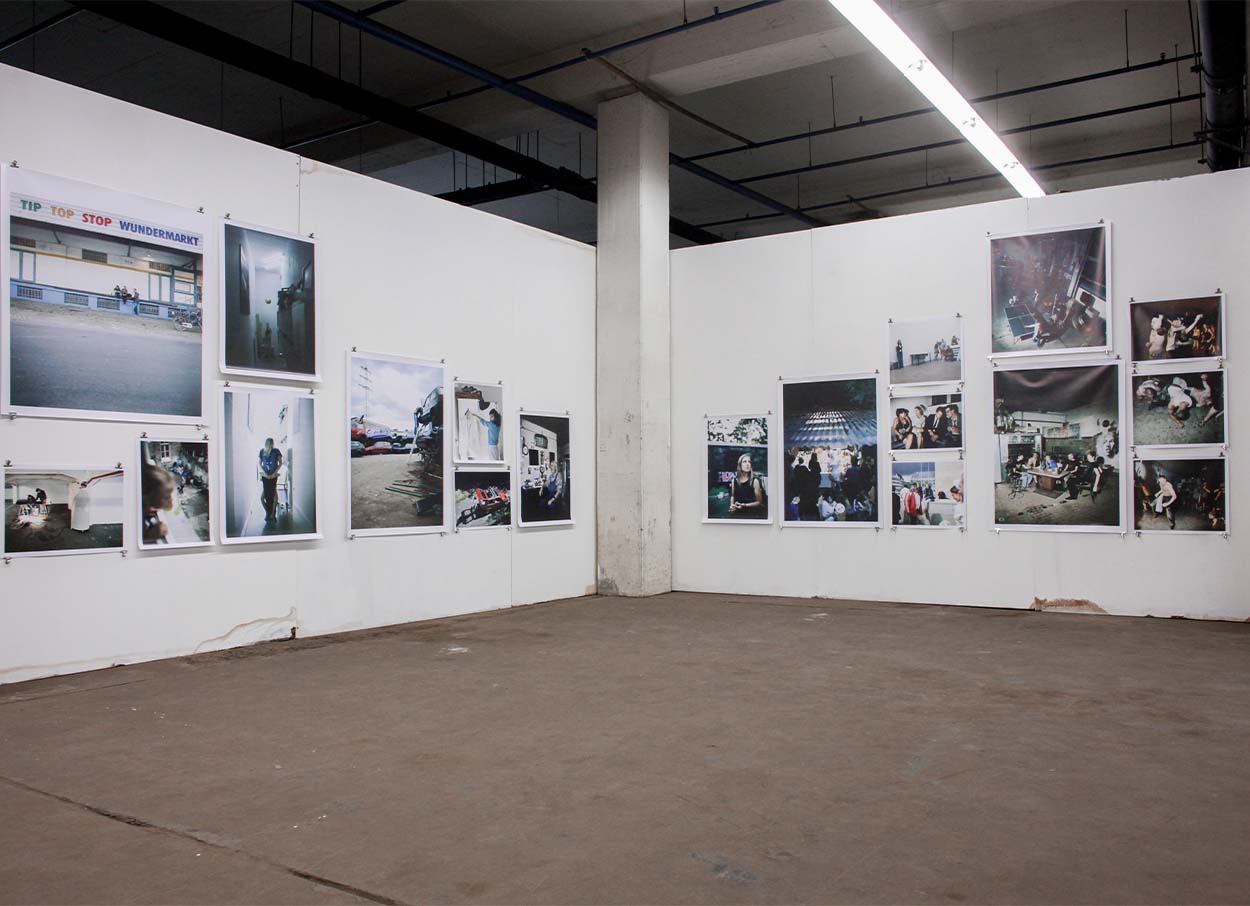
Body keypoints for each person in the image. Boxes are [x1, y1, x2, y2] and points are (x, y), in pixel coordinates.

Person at [142, 463, 176, 545]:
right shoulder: (138, 515)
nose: (171, 499)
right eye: (166, 497)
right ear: (150, 497)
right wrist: (153, 534)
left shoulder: (146, 508)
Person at [727, 453, 765, 518]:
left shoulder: (754, 481)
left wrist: (744, 505)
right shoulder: (734, 481)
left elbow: (759, 502)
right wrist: (732, 506)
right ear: (740, 465)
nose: (747, 464)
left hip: (752, 514)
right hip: (738, 513)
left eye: (749, 462)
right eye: (744, 462)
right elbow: (733, 495)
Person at [258, 437, 283, 522]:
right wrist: (264, 473)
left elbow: (280, 463)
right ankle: (268, 512)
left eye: (271, 443)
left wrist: (275, 473)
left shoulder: (276, 451)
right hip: (265, 477)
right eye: (270, 443)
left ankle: (272, 514)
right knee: (262, 497)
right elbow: (259, 463)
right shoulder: (262, 451)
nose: (271, 444)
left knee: (274, 496)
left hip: (273, 477)